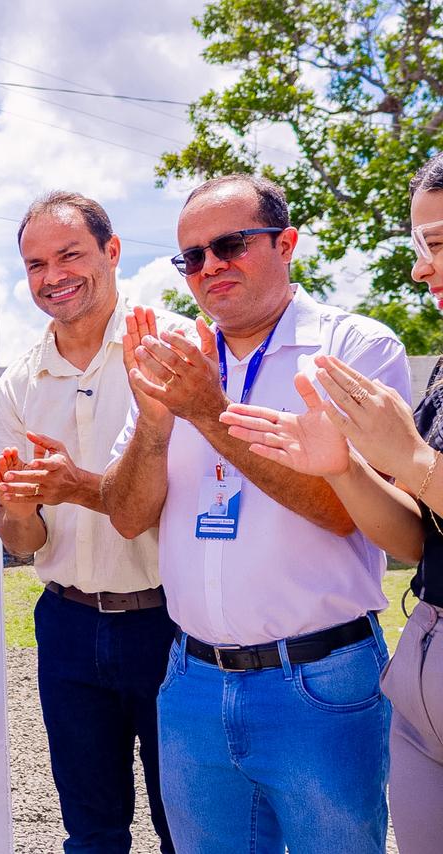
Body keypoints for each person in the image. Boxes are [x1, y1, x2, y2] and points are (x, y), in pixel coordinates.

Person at [102, 174, 410, 854]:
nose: (209, 267)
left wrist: (208, 412)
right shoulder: (174, 364)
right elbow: (127, 518)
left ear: (287, 244)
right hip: (191, 685)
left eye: (230, 245)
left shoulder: (354, 352)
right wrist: (157, 422)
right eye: (192, 257)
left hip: (321, 683)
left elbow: (346, 513)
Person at [218, 152, 443, 854]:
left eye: (435, 245)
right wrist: (345, 470)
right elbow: (416, 542)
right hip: (422, 687)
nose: (418, 269)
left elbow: (422, 475)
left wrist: (412, 461)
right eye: (418, 246)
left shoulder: (359, 342)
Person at [0, 191, 182, 853]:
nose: (53, 276)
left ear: (113, 251)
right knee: (91, 832)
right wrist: (18, 512)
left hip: (172, 623)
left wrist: (77, 484)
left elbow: (157, 508)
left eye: (70, 254)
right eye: (35, 264)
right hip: (68, 624)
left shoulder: (170, 349)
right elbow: (23, 539)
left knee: (184, 826)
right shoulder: (19, 383)